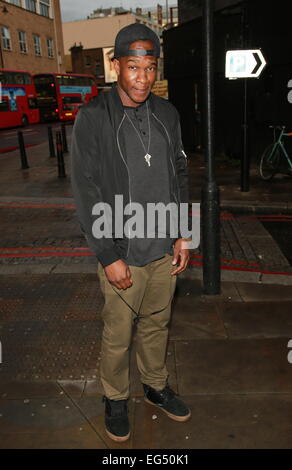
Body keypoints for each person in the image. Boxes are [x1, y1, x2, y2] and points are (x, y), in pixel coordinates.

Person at [71, 23, 191, 443]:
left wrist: (183, 233)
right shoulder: (92, 117)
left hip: (162, 248)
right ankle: (115, 397)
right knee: (118, 333)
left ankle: (155, 386)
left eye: (150, 67)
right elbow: (85, 190)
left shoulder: (168, 114)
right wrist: (107, 254)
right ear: (116, 65)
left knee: (158, 324)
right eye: (133, 66)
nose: (142, 77)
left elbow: (179, 173)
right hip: (122, 248)